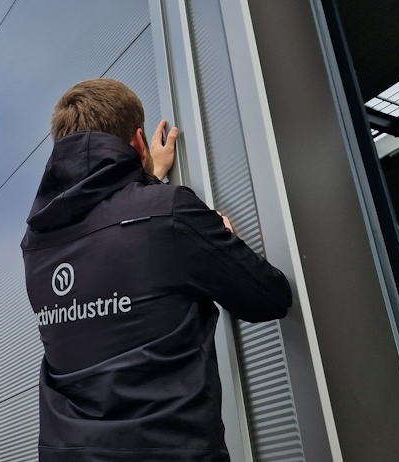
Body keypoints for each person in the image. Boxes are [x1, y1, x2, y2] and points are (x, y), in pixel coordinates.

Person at [21, 78, 292, 461]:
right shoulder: (170, 213)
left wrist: (149, 177)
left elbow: (107, 227)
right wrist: (220, 238)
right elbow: (269, 298)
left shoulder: (35, 242)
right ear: (137, 141)